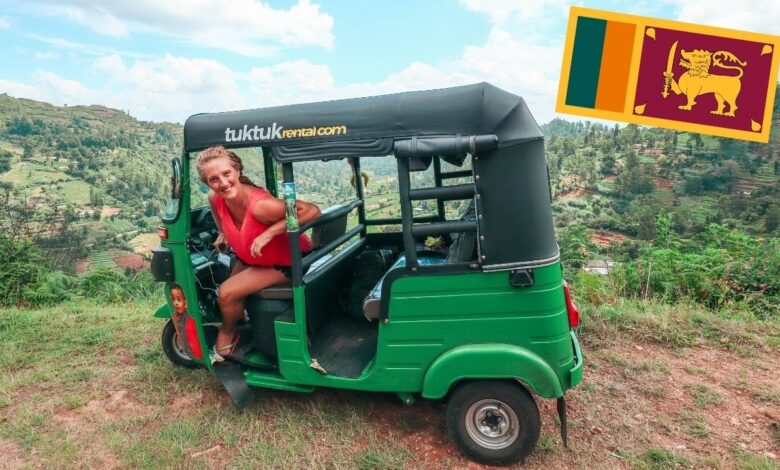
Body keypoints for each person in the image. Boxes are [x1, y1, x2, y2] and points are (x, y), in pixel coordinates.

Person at [196, 145, 320, 360]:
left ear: (237, 170)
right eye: (214, 179)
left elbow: (311, 210)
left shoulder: (261, 206)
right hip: (254, 259)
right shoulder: (215, 198)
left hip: (287, 261)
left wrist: (269, 233)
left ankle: (228, 333)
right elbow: (220, 217)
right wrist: (224, 234)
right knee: (225, 293)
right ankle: (243, 320)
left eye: (226, 174)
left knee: (227, 293)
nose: (222, 183)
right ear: (207, 183)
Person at [169, 283, 203, 360]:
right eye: (173, 299)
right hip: (188, 350)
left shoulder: (191, 320)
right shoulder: (175, 316)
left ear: (186, 302)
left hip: (197, 352)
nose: (176, 303)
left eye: (179, 300)